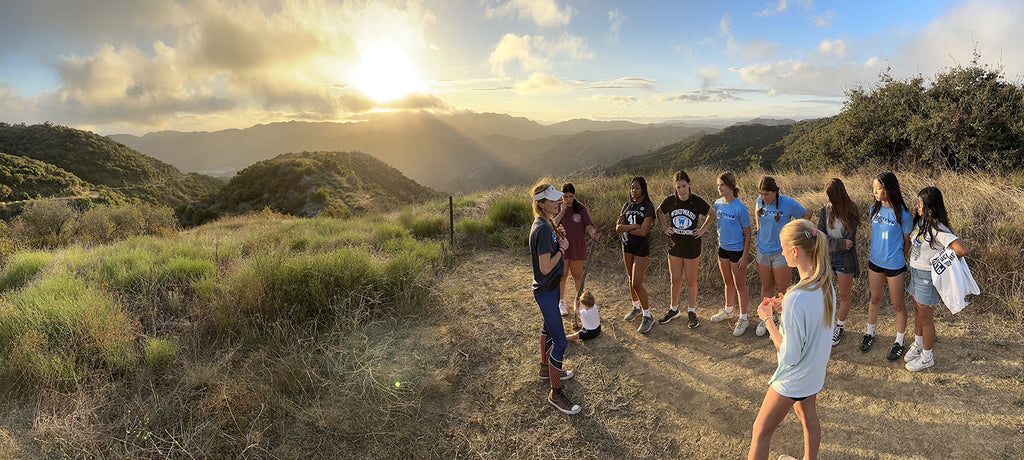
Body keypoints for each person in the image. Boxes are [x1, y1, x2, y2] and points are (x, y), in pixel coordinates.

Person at [748, 219, 836, 460]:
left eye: (783, 248)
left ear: (795, 252)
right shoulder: (825, 283)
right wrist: (784, 306)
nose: (781, 253)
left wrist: (767, 319)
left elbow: (789, 355)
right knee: (808, 418)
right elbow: (811, 321)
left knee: (760, 432)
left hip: (794, 378)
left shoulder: (797, 298)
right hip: (813, 374)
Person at [529, 181, 580, 415]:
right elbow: (545, 266)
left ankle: (544, 368)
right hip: (547, 290)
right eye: (553, 200)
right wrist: (562, 248)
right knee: (559, 342)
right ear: (541, 204)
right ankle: (555, 393)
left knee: (547, 329)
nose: (559, 202)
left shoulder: (545, 223)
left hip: (550, 289)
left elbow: (550, 238)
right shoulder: (541, 229)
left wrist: (557, 235)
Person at [905, 187, 968, 371]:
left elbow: (961, 250)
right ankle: (918, 345)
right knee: (917, 312)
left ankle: (927, 356)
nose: (917, 206)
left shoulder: (938, 228)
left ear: (931, 206)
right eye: (917, 202)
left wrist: (940, 262)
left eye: (921, 204)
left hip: (926, 278)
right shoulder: (920, 222)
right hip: (915, 274)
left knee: (926, 319)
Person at [862, 172, 913, 361]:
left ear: (889, 189)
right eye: (874, 188)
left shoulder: (903, 214)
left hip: (894, 264)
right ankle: (870, 332)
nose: (875, 191)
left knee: (898, 304)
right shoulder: (873, 209)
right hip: (875, 261)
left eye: (879, 188)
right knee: (875, 298)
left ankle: (899, 341)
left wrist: (900, 257)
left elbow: (908, 242)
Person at [754, 176, 812, 337]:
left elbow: (807, 214)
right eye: (761, 194)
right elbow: (758, 218)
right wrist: (760, 232)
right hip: (762, 251)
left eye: (767, 194)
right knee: (766, 287)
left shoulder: (787, 203)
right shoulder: (759, 201)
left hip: (781, 253)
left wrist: (794, 236)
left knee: (782, 289)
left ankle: (783, 319)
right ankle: (766, 319)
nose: (763, 197)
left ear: (775, 192)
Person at [656, 170, 714, 329]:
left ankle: (691, 311)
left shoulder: (696, 201)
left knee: (690, 280)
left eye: (683, 186)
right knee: (675, 280)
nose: (681, 190)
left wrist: (701, 230)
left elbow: (712, 214)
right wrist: (664, 227)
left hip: (691, 247)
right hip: (675, 246)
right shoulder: (670, 201)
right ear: (675, 187)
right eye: (678, 187)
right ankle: (673, 309)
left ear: (689, 185)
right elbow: (659, 211)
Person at [816, 178, 861, 346]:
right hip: (827, 257)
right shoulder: (824, 211)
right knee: (825, 293)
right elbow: (820, 237)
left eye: (830, 197)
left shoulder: (851, 211)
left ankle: (839, 326)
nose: (828, 200)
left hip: (844, 259)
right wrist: (840, 244)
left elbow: (850, 242)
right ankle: (826, 325)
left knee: (844, 294)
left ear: (838, 196)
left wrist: (833, 243)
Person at [710, 172, 753, 336]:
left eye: (722, 185)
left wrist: (744, 256)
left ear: (730, 186)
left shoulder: (740, 208)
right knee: (728, 282)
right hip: (723, 249)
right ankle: (729, 311)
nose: (719, 188)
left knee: (740, 286)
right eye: (718, 185)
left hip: (737, 251)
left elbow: (748, 233)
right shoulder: (717, 204)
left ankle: (744, 318)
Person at [617, 176, 656, 334]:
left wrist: (627, 227)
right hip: (626, 246)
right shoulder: (627, 206)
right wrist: (633, 225)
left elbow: (643, 231)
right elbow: (618, 228)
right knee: (629, 278)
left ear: (643, 189)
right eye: (632, 188)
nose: (634, 191)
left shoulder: (648, 207)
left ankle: (648, 315)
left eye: (637, 188)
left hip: (641, 248)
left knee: (636, 283)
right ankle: (636, 307)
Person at [554, 183, 599, 317]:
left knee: (577, 275)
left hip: (578, 246)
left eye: (571, 196)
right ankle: (561, 302)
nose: (568, 200)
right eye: (565, 196)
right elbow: (552, 224)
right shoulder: (556, 207)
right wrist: (561, 212)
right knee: (562, 275)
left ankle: (578, 301)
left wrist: (593, 233)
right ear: (561, 196)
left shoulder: (580, 208)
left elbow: (589, 226)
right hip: (562, 245)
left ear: (575, 195)